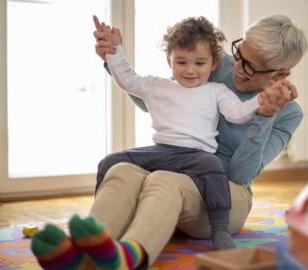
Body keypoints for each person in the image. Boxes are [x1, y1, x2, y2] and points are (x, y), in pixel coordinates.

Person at [30, 14, 306, 270]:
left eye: (250, 67)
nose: (237, 67)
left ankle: (131, 257)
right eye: (239, 53)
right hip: (175, 163)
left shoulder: (289, 113)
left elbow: (240, 173)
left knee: (164, 179)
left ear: (280, 75)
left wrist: (265, 115)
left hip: (224, 192)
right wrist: (111, 59)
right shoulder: (213, 62)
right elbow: (160, 100)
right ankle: (84, 253)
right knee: (121, 170)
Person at [97, 16, 274, 250]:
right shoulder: (157, 85)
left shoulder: (216, 91)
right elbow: (127, 79)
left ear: (213, 63)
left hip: (197, 156)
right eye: (181, 62)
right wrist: (115, 50)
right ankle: (99, 227)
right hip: (162, 152)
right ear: (169, 60)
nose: (190, 70)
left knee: (215, 168)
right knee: (110, 161)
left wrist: (261, 101)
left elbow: (238, 113)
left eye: (199, 63)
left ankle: (220, 230)